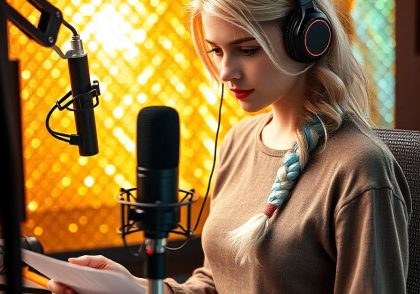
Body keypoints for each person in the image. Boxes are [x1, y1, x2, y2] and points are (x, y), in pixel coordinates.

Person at [49, 0, 412, 293]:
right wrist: (136, 288)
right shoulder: (238, 141)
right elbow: (215, 283)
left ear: (308, 39)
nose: (226, 72)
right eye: (217, 51)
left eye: (247, 50)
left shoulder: (359, 169)